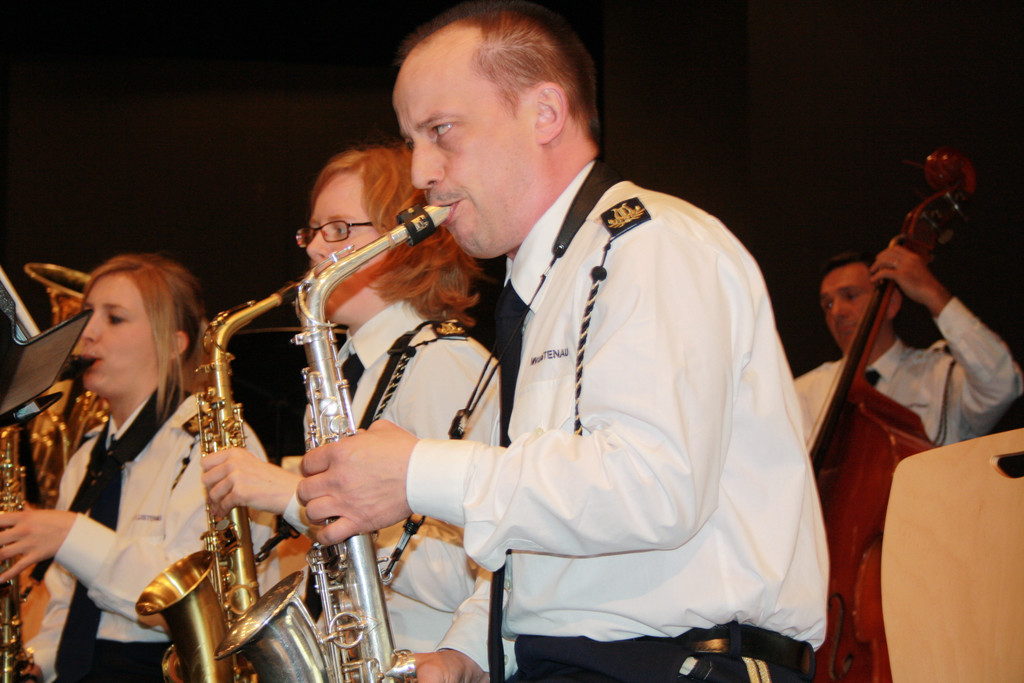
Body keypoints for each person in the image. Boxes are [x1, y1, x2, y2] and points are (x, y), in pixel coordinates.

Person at [296, 3, 829, 682]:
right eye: (413, 141)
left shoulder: (652, 244)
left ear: (545, 114)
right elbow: (555, 533)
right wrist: (467, 652)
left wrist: (416, 472)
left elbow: (653, 485)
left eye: (440, 130)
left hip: (678, 662)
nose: (422, 170)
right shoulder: (549, 280)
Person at [201, 142, 498, 652]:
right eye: (312, 232)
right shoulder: (352, 367)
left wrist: (294, 499)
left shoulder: (441, 363)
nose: (315, 249)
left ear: (409, 239)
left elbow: (464, 579)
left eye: (339, 229)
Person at [0, 253, 277, 683]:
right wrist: (38, 663)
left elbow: (197, 599)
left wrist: (69, 534)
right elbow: (67, 610)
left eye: (115, 319)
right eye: (87, 315)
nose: (86, 332)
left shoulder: (214, 442)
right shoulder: (86, 455)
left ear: (174, 343)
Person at [794, 248, 1022, 447]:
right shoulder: (802, 393)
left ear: (891, 303)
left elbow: (1001, 384)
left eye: (851, 296)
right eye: (828, 304)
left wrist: (934, 295)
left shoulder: (942, 376)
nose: (837, 312)